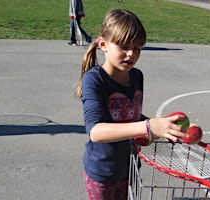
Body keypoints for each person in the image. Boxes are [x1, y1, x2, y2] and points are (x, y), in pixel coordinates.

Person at [75, 8, 187, 200]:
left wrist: (160, 127)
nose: (131, 54)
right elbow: (95, 131)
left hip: (130, 167)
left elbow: (131, 117)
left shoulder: (137, 76)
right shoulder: (94, 80)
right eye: (124, 46)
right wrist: (148, 126)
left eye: (137, 48)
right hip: (102, 172)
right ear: (103, 44)